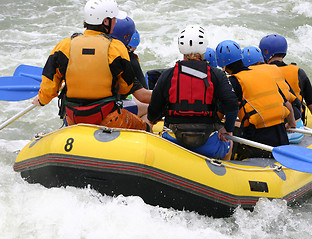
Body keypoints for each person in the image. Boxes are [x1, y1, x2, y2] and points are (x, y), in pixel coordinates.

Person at [32, 0, 150, 132]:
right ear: (106, 21)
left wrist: (42, 99)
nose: (115, 22)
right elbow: (125, 88)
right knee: (146, 129)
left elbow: (49, 84)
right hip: (108, 117)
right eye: (114, 19)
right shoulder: (116, 48)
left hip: (73, 118)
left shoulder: (64, 46)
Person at [148, 25, 239, 160]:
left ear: (180, 48)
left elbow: (153, 110)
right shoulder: (216, 74)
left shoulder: (168, 74)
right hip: (207, 141)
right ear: (204, 48)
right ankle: (222, 173)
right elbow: (232, 104)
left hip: (173, 141)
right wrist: (228, 128)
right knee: (229, 143)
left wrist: (154, 119)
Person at [216, 40, 296, 159]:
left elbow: (220, 114)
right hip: (281, 137)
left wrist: (224, 128)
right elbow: (286, 103)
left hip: (258, 141)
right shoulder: (264, 74)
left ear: (223, 66)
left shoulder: (234, 82)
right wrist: (291, 123)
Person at [259, 34, 312, 123]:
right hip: (296, 123)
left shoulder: (259, 72)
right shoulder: (298, 72)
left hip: (269, 123)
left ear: (264, 52)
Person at [241, 46, 304, 144]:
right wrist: (292, 123)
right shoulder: (274, 72)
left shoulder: (245, 79)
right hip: (296, 127)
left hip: (277, 133)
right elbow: (291, 103)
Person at [111, 16, 151, 123]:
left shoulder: (96, 50)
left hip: (76, 110)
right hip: (107, 111)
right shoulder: (126, 59)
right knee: (150, 108)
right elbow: (143, 96)